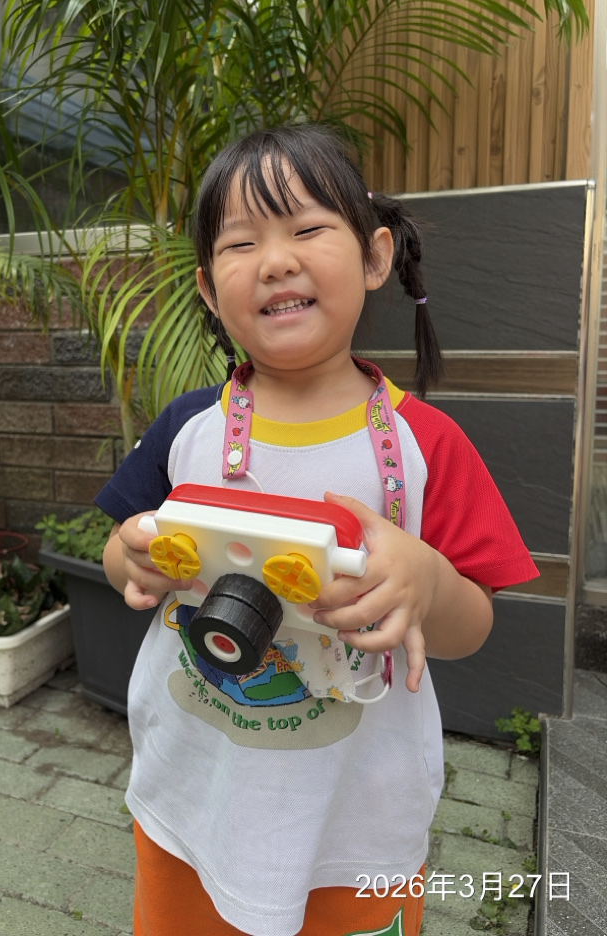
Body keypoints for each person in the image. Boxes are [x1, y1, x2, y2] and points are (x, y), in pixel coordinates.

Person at [96, 124, 538, 936]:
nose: (275, 261)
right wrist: (134, 559)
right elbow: (120, 549)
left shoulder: (426, 444)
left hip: (355, 824)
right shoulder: (188, 428)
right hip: (189, 799)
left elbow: (473, 624)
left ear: (374, 257)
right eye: (241, 244)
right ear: (208, 288)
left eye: (306, 229)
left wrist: (427, 582)